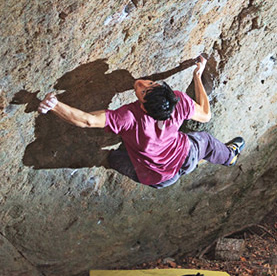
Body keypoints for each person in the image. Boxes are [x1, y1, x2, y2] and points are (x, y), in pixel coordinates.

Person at [37, 55, 245, 188]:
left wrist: (54, 106)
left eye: (144, 89)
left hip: (159, 178)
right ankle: (229, 157)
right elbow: (206, 114)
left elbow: (88, 121)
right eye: (148, 84)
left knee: (115, 159)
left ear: (144, 106)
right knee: (206, 142)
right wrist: (197, 76)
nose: (141, 83)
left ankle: (225, 157)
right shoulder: (179, 101)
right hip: (187, 155)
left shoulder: (128, 118)